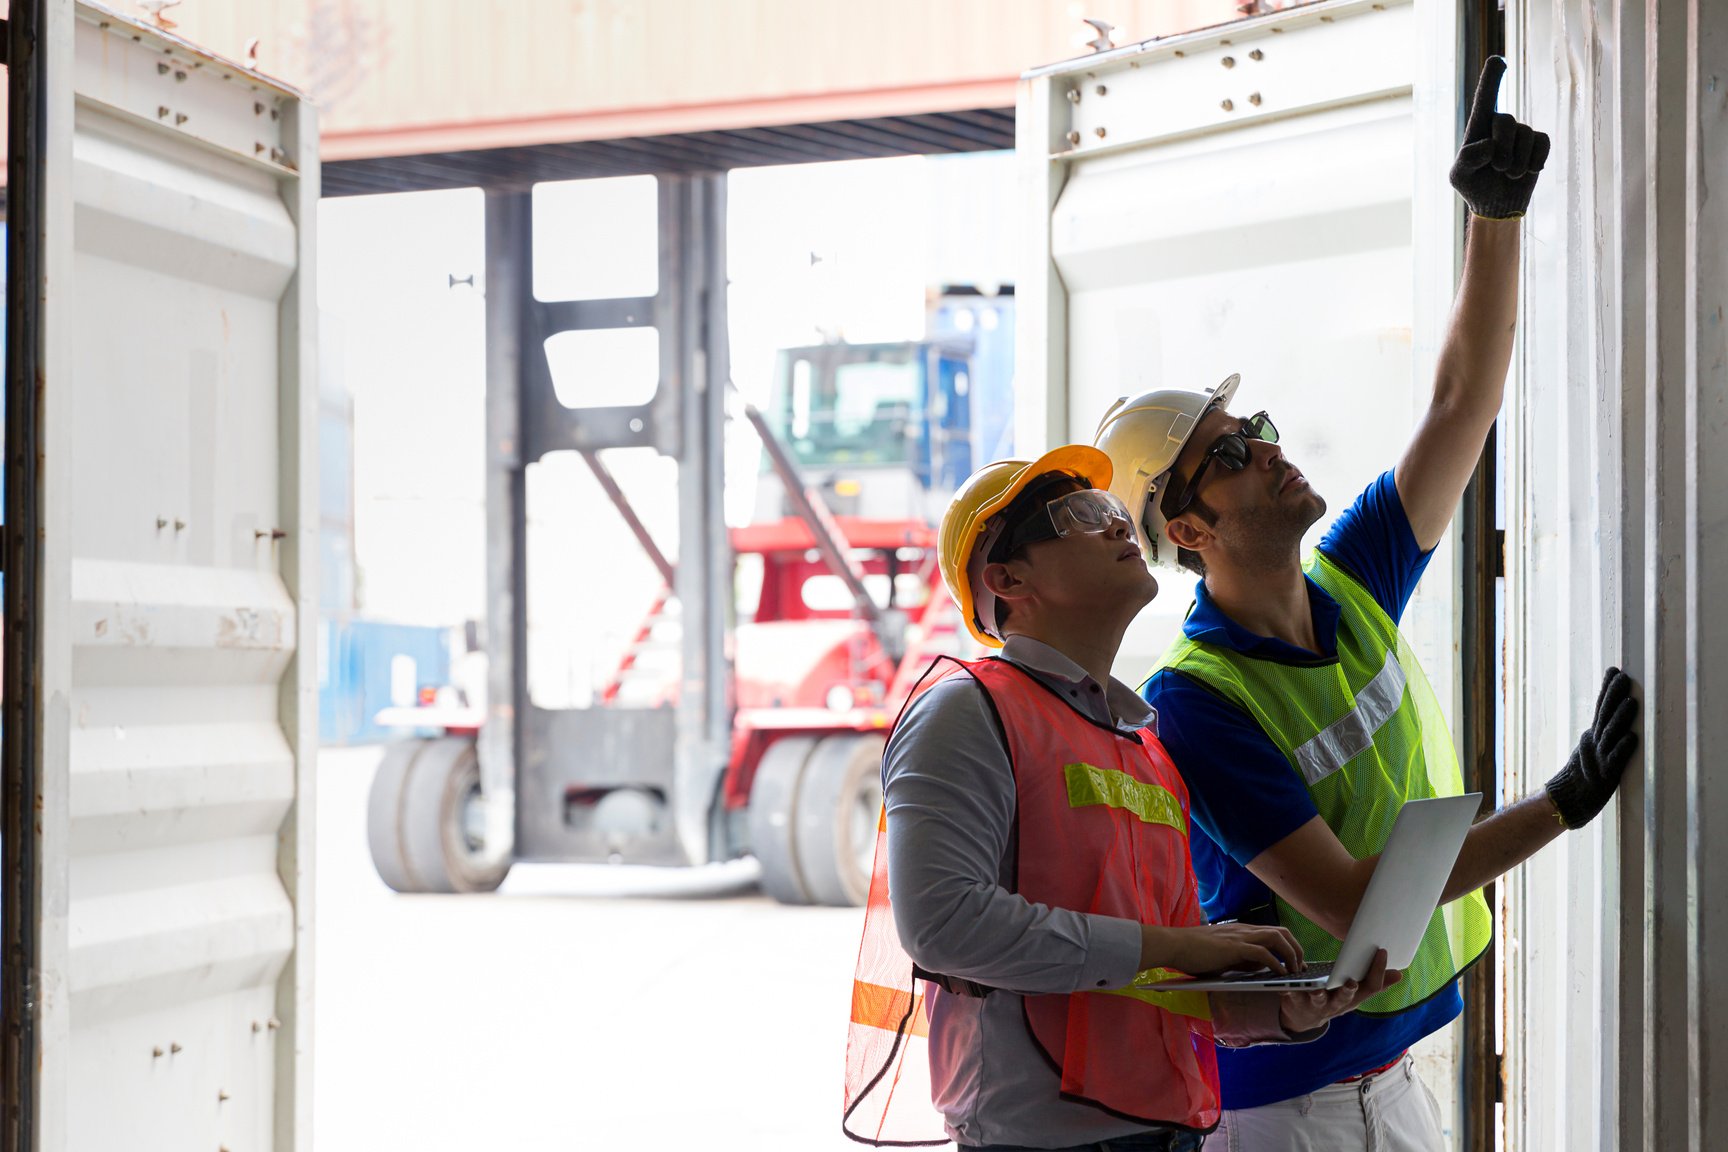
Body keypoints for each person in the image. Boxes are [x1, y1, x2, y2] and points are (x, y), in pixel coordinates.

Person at [1089, 58, 1640, 1151]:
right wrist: (1561, 805)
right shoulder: (1199, 704)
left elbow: (1460, 401)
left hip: (1386, 1072)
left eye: (1260, 429)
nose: (1270, 451)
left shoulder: (1353, 575)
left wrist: (1495, 217)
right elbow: (1349, 906)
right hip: (1286, 1109)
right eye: (1233, 455)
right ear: (1188, 529)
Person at [843, 445, 1400, 1152]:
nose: (1118, 526)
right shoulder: (967, 711)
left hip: (1166, 1132)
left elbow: (1159, 980)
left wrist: (1283, 1011)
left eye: (1112, 511)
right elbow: (945, 926)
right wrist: (1184, 944)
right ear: (1006, 578)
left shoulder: (1142, 745)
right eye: (1077, 515)